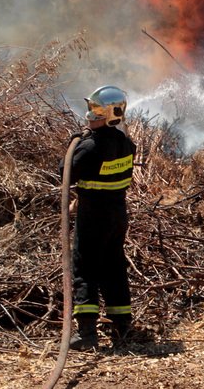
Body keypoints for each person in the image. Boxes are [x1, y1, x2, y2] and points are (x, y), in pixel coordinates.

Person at [62, 85, 137, 350]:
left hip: (93, 217)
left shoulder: (90, 147)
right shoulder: (127, 144)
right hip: (117, 216)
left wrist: (75, 143)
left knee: (85, 268)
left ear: (111, 113)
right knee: (114, 266)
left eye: (96, 110)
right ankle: (123, 326)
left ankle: (86, 332)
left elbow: (65, 172)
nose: (90, 114)